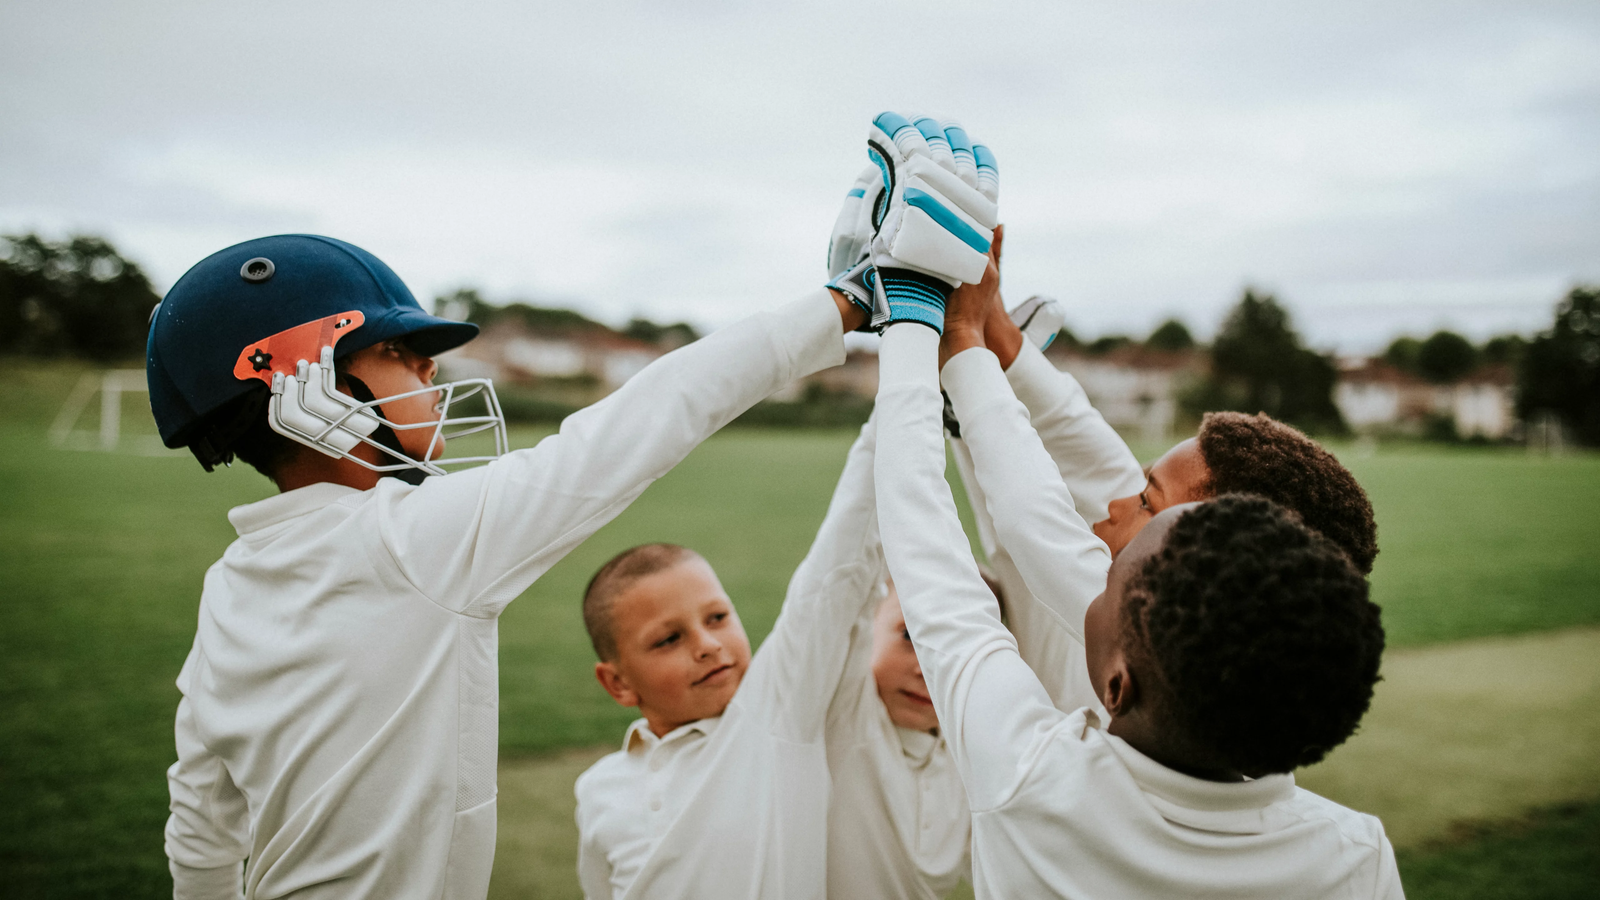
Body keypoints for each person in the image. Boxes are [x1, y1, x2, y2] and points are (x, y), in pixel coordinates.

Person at [150, 232, 867, 898]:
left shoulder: (229, 587)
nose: (428, 367)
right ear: (307, 386)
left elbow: (200, 829)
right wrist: (845, 303)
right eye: (399, 351)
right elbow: (648, 419)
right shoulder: (411, 541)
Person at [870, 250, 1401, 897]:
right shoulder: (1355, 854)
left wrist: (937, 326)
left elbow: (984, 539)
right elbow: (935, 542)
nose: (1102, 529)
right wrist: (991, 347)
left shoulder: (1029, 775)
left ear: (1116, 684)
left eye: (1146, 514)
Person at [574, 110, 1002, 900]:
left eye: (716, 617)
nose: (709, 645)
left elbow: (840, 566)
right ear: (618, 684)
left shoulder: (776, 715)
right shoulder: (598, 791)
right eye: (669, 639)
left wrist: (915, 335)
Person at [948, 233, 1379, 716]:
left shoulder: (1160, 665)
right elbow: (1103, 467)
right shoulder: (1223, 641)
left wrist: (964, 339)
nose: (1117, 502)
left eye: (1147, 502)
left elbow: (1035, 523)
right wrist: (999, 335)